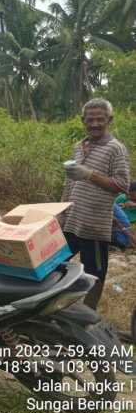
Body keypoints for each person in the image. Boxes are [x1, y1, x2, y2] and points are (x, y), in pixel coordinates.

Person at [61, 98, 130, 309]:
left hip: (95, 226)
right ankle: (58, 308)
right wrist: (61, 211)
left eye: (100, 119)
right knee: (55, 265)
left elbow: (122, 185)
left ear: (109, 120)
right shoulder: (79, 146)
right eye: (90, 119)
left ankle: (89, 317)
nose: (95, 124)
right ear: (83, 120)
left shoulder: (115, 149)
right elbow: (70, 183)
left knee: (95, 274)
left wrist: (89, 174)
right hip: (71, 222)